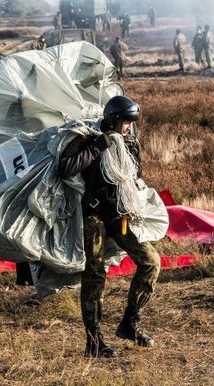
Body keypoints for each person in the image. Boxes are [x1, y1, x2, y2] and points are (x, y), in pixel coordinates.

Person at [58, 95, 161, 358]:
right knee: (94, 275)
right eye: (126, 122)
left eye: (131, 123)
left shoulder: (128, 142)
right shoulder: (89, 138)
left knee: (151, 261)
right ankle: (93, 341)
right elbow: (66, 169)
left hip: (120, 216)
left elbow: (135, 175)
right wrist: (97, 148)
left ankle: (130, 323)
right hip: (93, 217)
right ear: (114, 119)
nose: (129, 127)